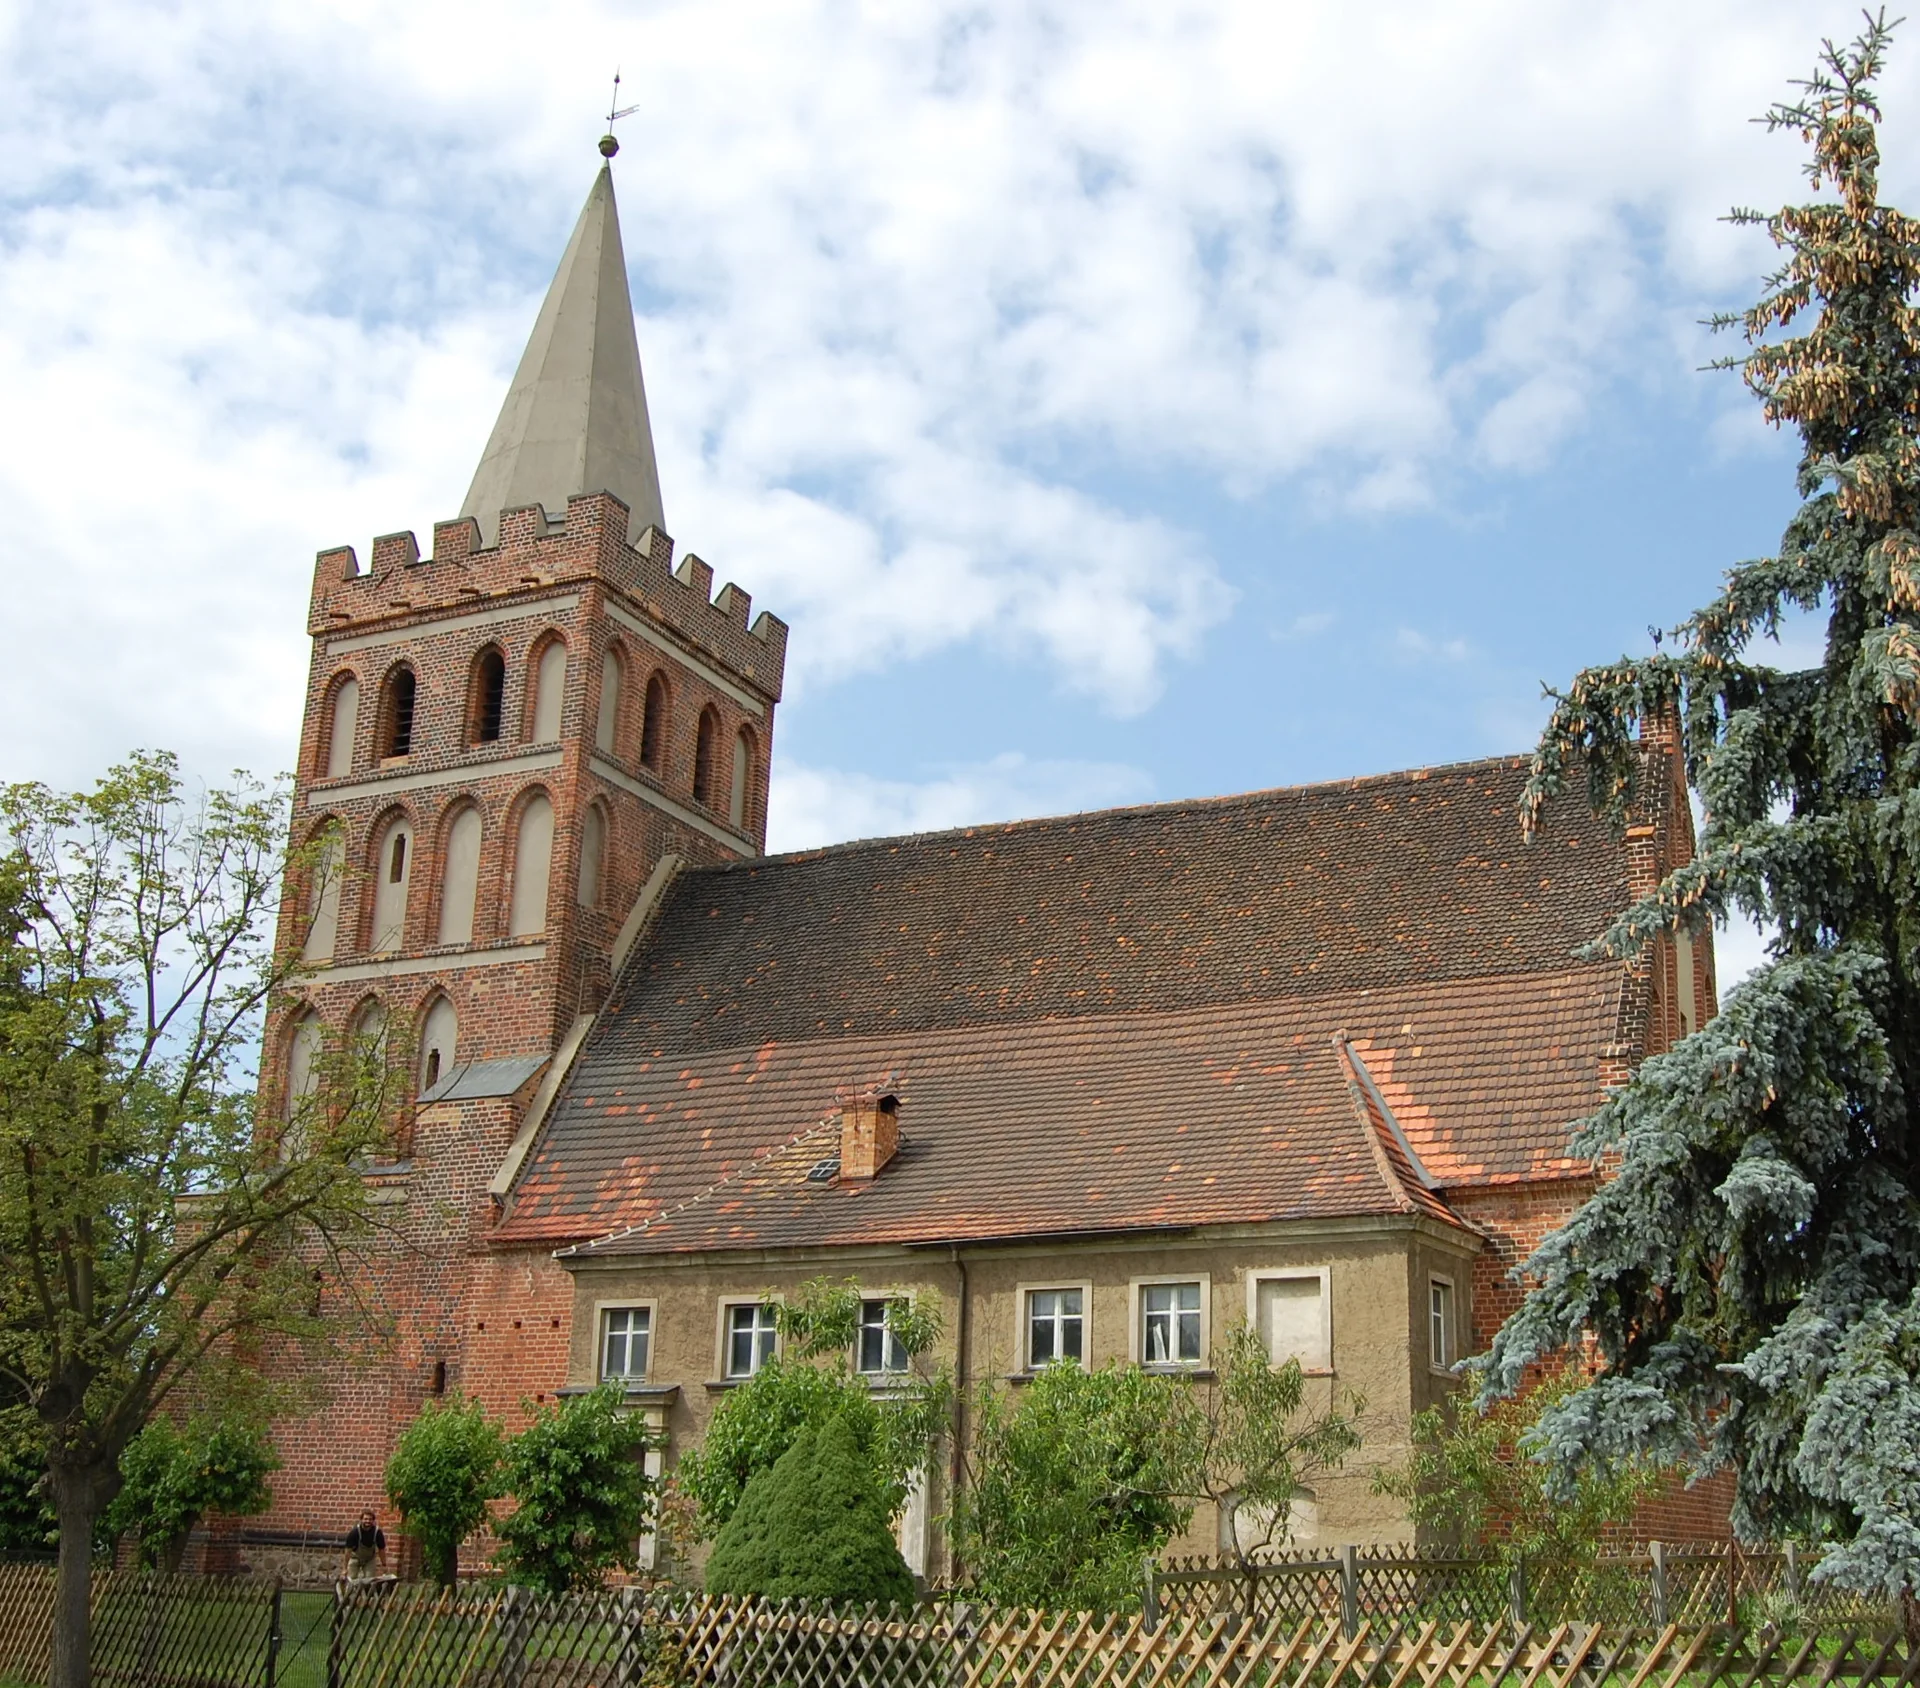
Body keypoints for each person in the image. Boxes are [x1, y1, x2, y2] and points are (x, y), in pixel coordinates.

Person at [342, 1509, 387, 1581]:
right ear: (361, 1520)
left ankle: (367, 1592)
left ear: (373, 1521)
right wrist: (344, 1568)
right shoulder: (355, 1532)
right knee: (352, 1579)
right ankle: (351, 1591)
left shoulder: (377, 1532)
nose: (368, 1521)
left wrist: (384, 1565)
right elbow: (348, 1551)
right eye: (365, 1519)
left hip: (369, 1559)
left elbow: (381, 1550)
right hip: (355, 1558)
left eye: (370, 1519)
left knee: (369, 1580)